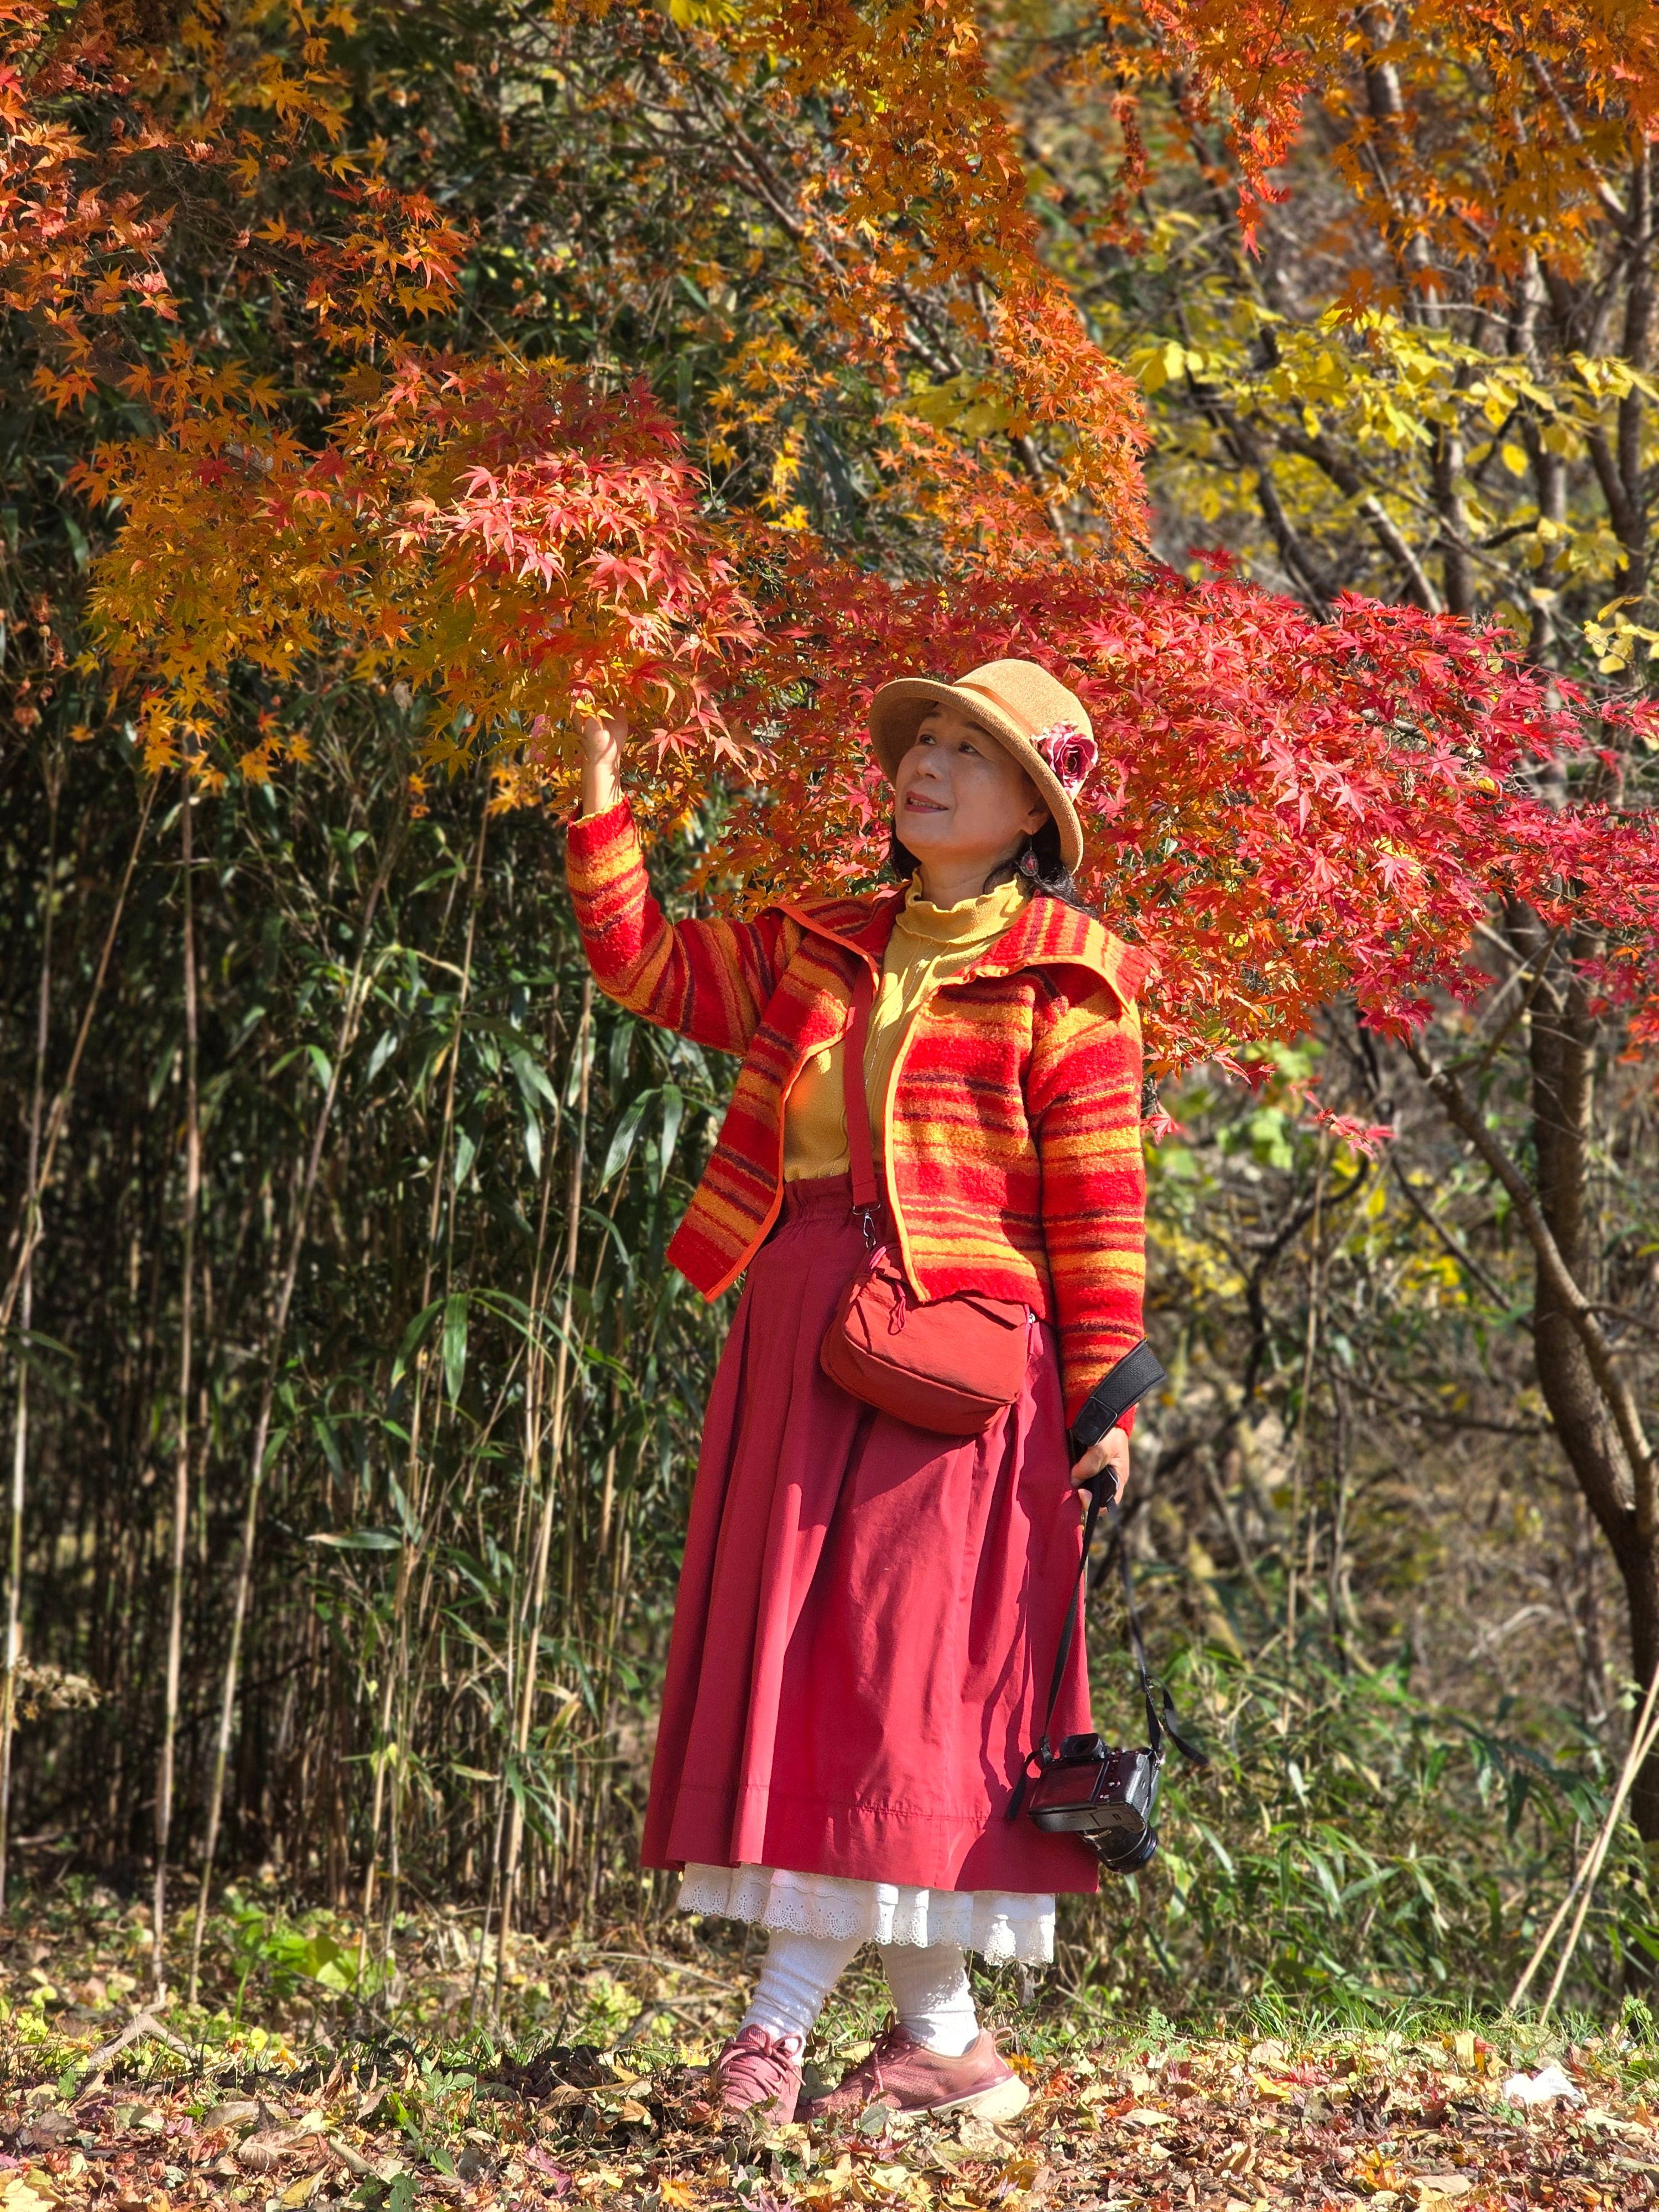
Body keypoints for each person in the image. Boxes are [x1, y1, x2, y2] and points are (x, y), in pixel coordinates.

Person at [568, 659, 1150, 2125]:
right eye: (924, 741)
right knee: (834, 1692)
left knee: (897, 1697)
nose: (928, 766)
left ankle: (773, 2035)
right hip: (799, 1336)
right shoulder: (821, 942)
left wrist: (1107, 1408)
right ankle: (947, 2048)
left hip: (958, 1370)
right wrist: (598, 784)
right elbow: (643, 965)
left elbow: (1098, 1208)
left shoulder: (1070, 981)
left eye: (972, 751)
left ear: (1035, 810)